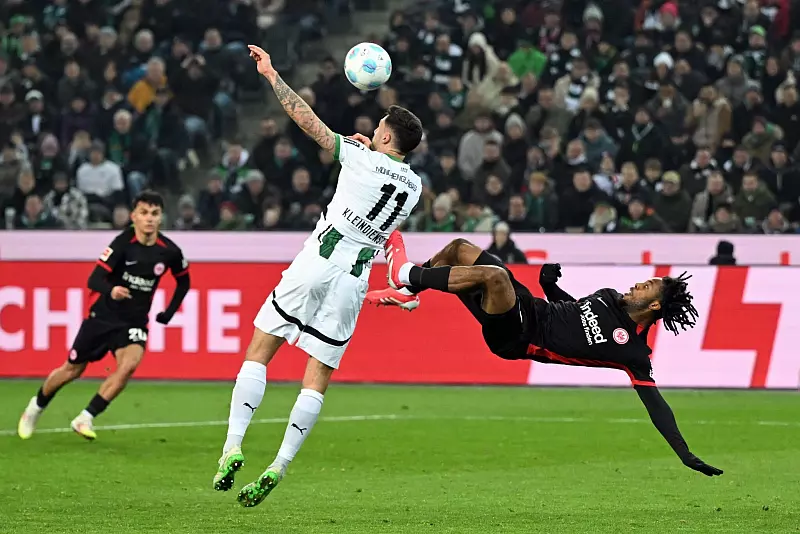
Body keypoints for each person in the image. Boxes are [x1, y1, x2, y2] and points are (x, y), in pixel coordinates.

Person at [214, 45, 424, 508]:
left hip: (319, 259)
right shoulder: (414, 187)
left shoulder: (360, 157)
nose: (374, 130)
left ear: (386, 136)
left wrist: (272, 75)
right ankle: (279, 464)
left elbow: (309, 123)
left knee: (261, 349)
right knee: (317, 378)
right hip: (353, 280)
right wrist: (368, 151)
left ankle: (232, 446)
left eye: (380, 127)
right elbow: (384, 183)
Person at [365, 234, 723, 477]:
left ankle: (407, 273)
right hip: (528, 304)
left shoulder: (633, 353)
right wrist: (550, 285)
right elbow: (572, 311)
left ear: (655, 305)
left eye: (646, 287)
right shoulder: (610, 296)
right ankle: (409, 290)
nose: (637, 285)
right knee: (459, 248)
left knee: (494, 277)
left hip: (519, 337)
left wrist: (685, 453)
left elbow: (657, 406)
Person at [17, 191, 190, 440]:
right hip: (103, 315)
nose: (149, 219)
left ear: (161, 217)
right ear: (134, 216)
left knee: (128, 365)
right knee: (72, 369)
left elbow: (184, 281)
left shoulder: (169, 251)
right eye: (144, 213)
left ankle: (85, 417)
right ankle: (35, 408)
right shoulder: (122, 244)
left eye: (154, 213)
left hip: (133, 321)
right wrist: (112, 290)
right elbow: (94, 279)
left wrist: (169, 312)